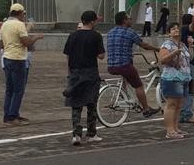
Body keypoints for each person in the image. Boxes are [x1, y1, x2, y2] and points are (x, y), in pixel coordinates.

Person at [105, 10, 161, 119]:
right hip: (124, 65)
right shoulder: (129, 32)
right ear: (125, 20)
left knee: (127, 79)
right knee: (138, 85)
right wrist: (157, 49)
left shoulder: (111, 32)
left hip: (111, 66)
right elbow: (143, 45)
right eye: (129, 18)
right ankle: (146, 109)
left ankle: (128, 98)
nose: (131, 20)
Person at [63, 10, 105, 146]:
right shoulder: (96, 36)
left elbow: (67, 54)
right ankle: (91, 133)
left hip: (75, 71)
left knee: (76, 104)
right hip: (90, 72)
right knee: (91, 103)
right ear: (92, 21)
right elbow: (101, 55)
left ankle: (76, 134)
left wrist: (69, 71)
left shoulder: (73, 36)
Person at [0, 3, 43, 125]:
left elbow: (1, 43)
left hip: (7, 57)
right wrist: (36, 37)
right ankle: (13, 116)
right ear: (19, 13)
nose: (24, 16)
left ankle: (8, 114)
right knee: (18, 90)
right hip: (18, 58)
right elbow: (26, 42)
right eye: (23, 14)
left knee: (9, 89)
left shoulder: (4, 25)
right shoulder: (19, 25)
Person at [157, 23, 194, 139]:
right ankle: (170, 130)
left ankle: (176, 127)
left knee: (179, 105)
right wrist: (174, 53)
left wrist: (190, 46)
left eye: (177, 28)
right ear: (169, 33)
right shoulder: (167, 45)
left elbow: (189, 58)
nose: (176, 30)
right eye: (173, 29)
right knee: (171, 104)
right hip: (172, 78)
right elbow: (162, 60)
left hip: (184, 77)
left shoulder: (182, 44)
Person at [179, 4, 194, 124]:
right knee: (190, 90)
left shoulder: (181, 31)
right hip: (189, 64)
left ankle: (181, 113)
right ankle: (187, 114)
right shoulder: (186, 30)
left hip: (187, 64)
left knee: (184, 89)